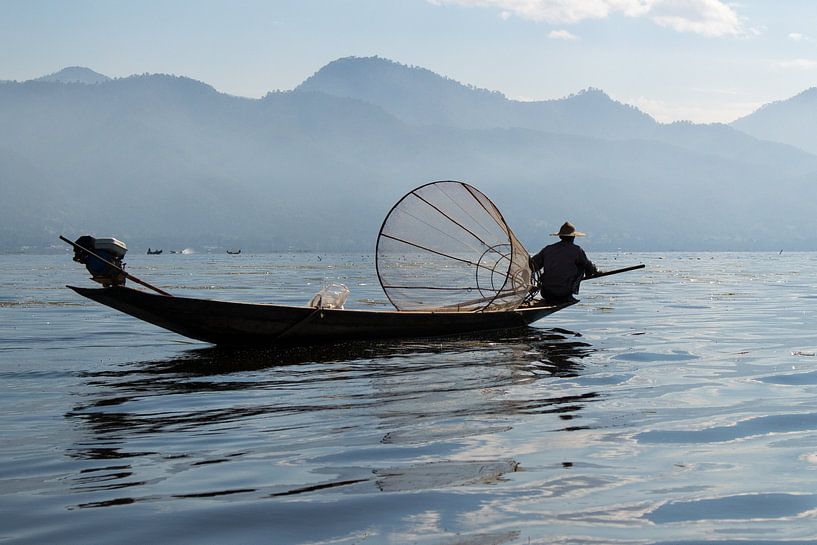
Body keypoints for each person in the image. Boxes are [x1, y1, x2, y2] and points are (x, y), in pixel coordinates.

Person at [531, 221, 599, 303]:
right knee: (582, 265)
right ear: (573, 237)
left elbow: (533, 265)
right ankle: (570, 295)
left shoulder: (548, 249)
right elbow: (589, 266)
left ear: (560, 236)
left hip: (546, 293)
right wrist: (595, 272)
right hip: (564, 294)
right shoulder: (577, 250)